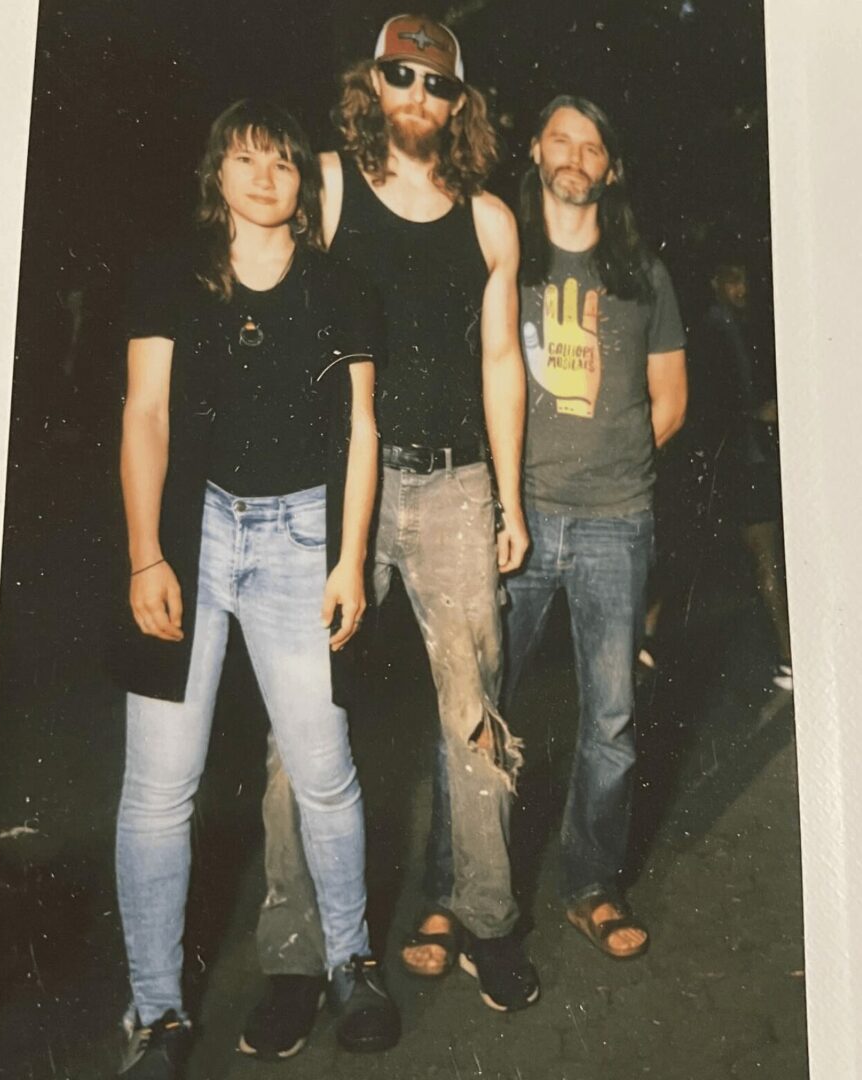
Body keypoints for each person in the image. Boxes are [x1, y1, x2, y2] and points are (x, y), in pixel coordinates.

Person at [252, 13, 540, 1020]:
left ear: (460, 104)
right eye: (401, 76)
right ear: (372, 84)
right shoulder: (327, 188)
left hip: (457, 488)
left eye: (437, 83)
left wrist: (509, 499)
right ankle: (296, 961)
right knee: (300, 721)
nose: (418, 95)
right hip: (341, 492)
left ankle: (489, 922)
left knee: (476, 716)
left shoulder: (492, 221)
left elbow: (501, 364)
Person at [110, 99, 400, 1078]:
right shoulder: (170, 275)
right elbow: (145, 414)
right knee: (159, 789)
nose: (266, 177)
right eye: (246, 159)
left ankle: (353, 963)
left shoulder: (340, 286)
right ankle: (156, 1016)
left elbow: (360, 430)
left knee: (325, 770)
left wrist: (349, 559)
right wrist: (146, 555)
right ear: (217, 173)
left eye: (283, 162)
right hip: (189, 537)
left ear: (303, 182)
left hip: (300, 538)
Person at [508, 94, 687, 959]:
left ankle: (591, 885)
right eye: (561, 139)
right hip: (517, 517)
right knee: (477, 707)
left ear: (610, 168)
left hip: (616, 522)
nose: (575, 156)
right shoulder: (504, 257)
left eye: (592, 146)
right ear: (535, 151)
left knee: (610, 718)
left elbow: (671, 400)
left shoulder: (642, 273)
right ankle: (461, 890)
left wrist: (606, 463)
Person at [693, 258, 791, 690]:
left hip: (753, 459)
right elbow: (710, 409)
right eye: (733, 279)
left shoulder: (741, 327)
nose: (742, 287)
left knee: (766, 558)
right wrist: (756, 415)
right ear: (715, 281)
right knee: (767, 558)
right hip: (739, 463)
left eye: (745, 278)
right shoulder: (710, 334)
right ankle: (789, 658)